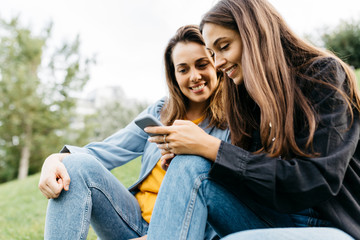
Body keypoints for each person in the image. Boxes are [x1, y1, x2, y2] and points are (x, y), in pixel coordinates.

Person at [144, 0, 360, 239]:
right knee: (190, 165)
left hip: (331, 227)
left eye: (224, 47)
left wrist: (211, 147)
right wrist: (198, 153)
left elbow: (317, 180)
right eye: (212, 53)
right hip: (271, 219)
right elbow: (249, 178)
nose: (217, 63)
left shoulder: (323, 76)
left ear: (254, 34)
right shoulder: (245, 97)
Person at [38, 25, 230, 240]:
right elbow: (108, 149)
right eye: (183, 69)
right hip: (133, 223)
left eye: (202, 64)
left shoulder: (233, 122)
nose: (194, 76)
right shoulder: (160, 112)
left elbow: (224, 205)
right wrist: (54, 159)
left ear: (217, 64)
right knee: (75, 166)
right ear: (174, 75)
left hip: (184, 230)